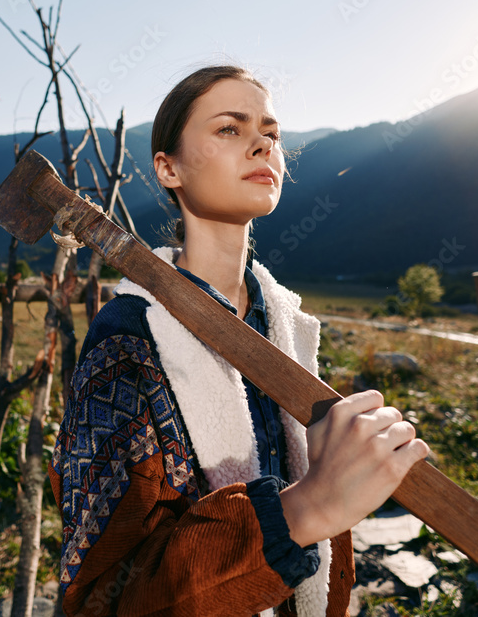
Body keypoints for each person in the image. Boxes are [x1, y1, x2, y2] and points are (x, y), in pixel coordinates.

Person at [48, 65, 429, 616]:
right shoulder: (127, 342)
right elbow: (104, 600)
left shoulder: (286, 324)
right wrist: (308, 508)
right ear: (168, 168)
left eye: (270, 133)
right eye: (230, 128)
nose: (262, 144)